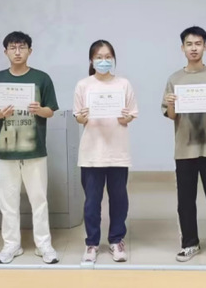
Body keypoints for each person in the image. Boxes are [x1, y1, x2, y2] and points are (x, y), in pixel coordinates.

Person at [0, 31, 60, 264]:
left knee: (39, 199)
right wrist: (0, 113)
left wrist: (39, 110)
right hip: (7, 149)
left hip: (34, 149)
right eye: (13, 48)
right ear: (5, 51)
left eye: (22, 47)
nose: (17, 52)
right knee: (8, 201)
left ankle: (44, 245)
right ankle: (11, 245)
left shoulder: (42, 78)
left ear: (30, 51)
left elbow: (50, 111)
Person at [162, 26, 206, 264]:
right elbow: (171, 115)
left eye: (198, 43)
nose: (194, 48)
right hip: (184, 148)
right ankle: (189, 243)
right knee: (185, 199)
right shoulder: (175, 79)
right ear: (182, 48)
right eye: (189, 44)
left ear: (205, 46)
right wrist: (171, 103)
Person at [74, 40, 138, 263]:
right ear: (91, 60)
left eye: (108, 57)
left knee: (119, 199)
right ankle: (92, 243)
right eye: (99, 57)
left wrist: (125, 118)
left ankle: (116, 240)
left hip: (118, 151)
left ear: (114, 59)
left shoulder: (123, 84)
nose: (104, 61)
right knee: (92, 202)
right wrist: (82, 116)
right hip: (92, 152)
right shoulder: (84, 85)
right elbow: (78, 117)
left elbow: (131, 114)